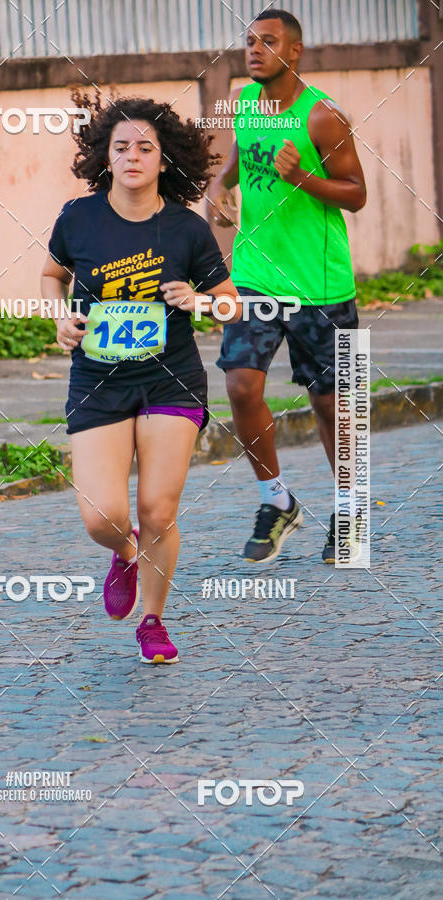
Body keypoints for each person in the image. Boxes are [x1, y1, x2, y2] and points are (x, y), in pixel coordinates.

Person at [41, 91, 239, 663]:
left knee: (158, 509)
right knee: (101, 515)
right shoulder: (78, 218)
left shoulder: (185, 229)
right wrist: (61, 318)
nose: (132, 156)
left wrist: (200, 298)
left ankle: (153, 621)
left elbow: (231, 305)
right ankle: (126, 554)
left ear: (162, 159)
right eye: (120, 146)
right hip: (98, 380)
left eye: (144, 147)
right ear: (105, 156)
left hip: (169, 379)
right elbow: (52, 275)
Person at [209, 9, 366, 565]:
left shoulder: (322, 116)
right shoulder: (247, 104)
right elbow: (235, 164)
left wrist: (301, 178)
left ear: (294, 51)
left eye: (267, 41)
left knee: (331, 405)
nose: (254, 49)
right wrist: (220, 192)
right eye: (249, 40)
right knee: (241, 387)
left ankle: (350, 511)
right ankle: (277, 503)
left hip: (321, 285)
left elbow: (355, 194)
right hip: (255, 278)